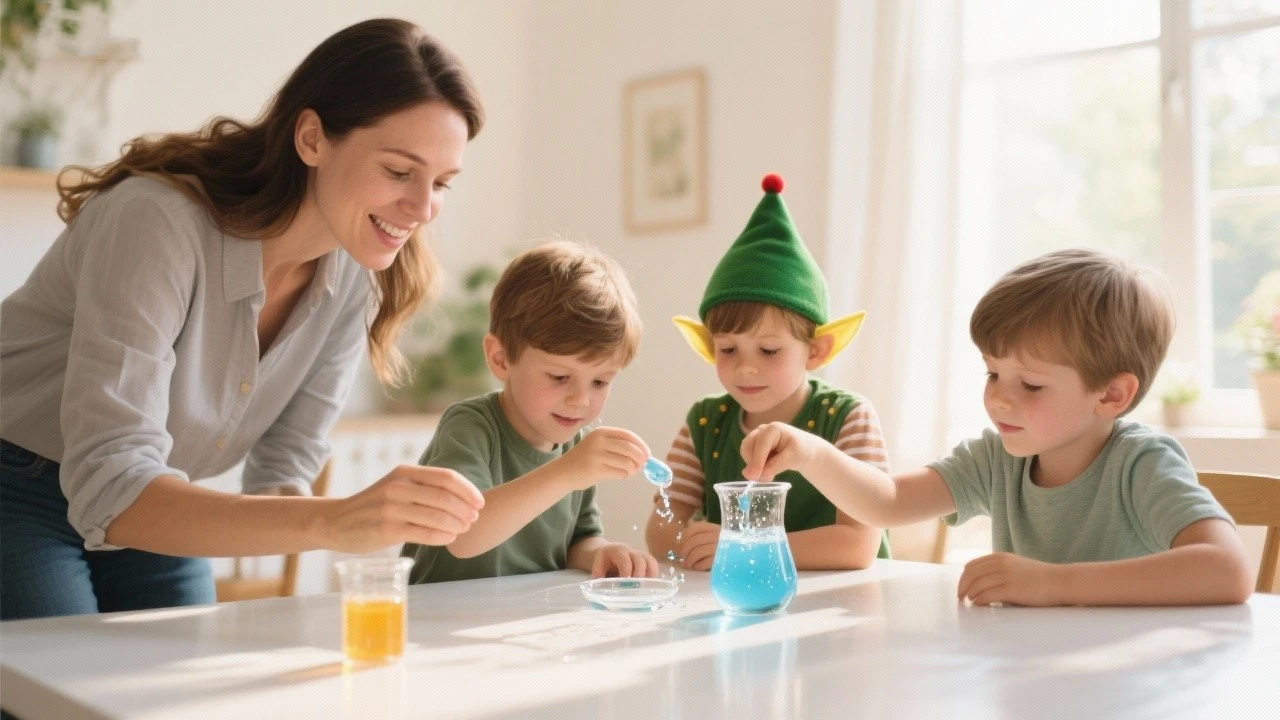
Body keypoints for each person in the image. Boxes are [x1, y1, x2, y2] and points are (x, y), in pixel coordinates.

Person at [0, 18, 490, 621]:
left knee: (191, 685)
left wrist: (336, 523)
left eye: (441, 182)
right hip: (17, 479)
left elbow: (285, 460)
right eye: (397, 171)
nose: (421, 208)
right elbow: (112, 481)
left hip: (151, 491)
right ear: (311, 138)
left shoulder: (356, 277)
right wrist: (333, 520)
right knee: (61, 690)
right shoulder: (157, 223)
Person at [742, 249, 1254, 606]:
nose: (998, 397)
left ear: (1112, 394)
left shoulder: (1141, 464)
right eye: (992, 373)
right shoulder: (998, 458)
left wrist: (1053, 585)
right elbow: (889, 503)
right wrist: (810, 452)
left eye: (1030, 384)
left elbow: (1228, 570)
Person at [645, 174, 891, 572]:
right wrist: (697, 541)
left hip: (841, 608)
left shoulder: (849, 419)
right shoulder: (704, 422)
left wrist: (740, 545)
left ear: (816, 351)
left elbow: (858, 546)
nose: (745, 366)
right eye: (727, 349)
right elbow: (660, 530)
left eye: (770, 349)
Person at [402, 241, 660, 583]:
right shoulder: (471, 427)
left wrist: (602, 553)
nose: (580, 400)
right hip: (436, 622)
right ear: (501, 359)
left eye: (600, 382)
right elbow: (464, 536)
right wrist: (567, 472)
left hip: (519, 619)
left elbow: (578, 539)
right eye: (559, 377)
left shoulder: (575, 449)